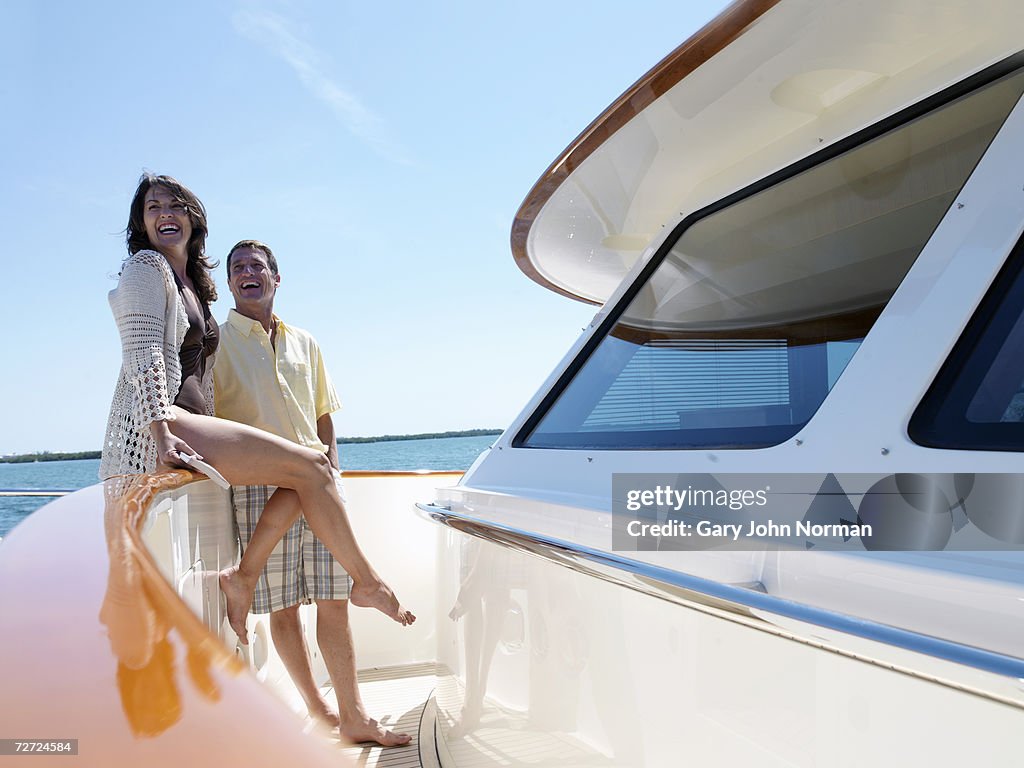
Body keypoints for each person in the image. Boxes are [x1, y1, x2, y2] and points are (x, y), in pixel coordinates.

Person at [100, 173, 414, 639]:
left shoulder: (194, 284)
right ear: (141, 225)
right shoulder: (146, 268)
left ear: (193, 217)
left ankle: (247, 578)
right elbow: (143, 351)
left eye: (175, 205)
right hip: (167, 421)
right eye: (152, 207)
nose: (165, 213)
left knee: (314, 468)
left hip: (193, 421)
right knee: (310, 469)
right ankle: (367, 583)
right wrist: (161, 432)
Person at [213, 239, 409, 745]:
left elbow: (323, 415)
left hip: (317, 489)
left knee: (333, 601)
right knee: (283, 608)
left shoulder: (306, 342)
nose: (246, 273)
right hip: (259, 487)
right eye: (237, 268)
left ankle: (355, 716)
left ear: (276, 279)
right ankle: (318, 707)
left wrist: (334, 477)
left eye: (257, 266)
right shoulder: (214, 342)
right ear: (230, 283)